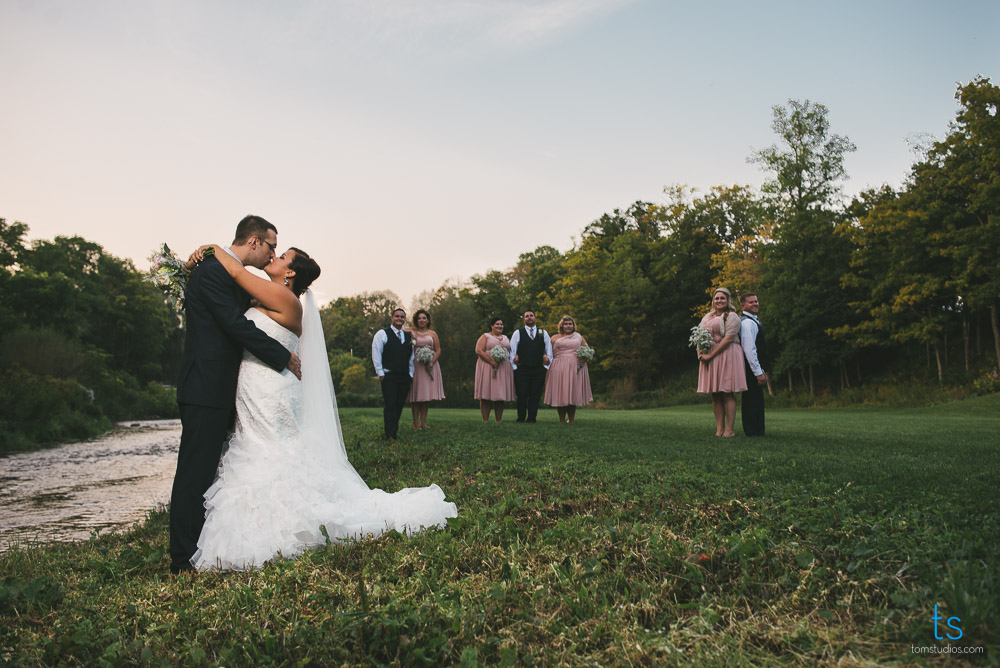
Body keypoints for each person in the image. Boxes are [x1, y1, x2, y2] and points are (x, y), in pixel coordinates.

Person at [189, 244, 457, 571]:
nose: (273, 257)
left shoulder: (286, 300)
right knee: (257, 447)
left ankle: (281, 520)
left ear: (290, 273)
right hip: (254, 387)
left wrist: (213, 248)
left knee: (273, 448)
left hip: (272, 390)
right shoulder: (264, 296)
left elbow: (234, 271)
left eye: (281, 256)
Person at [169, 215, 303, 575]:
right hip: (205, 387)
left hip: (224, 388)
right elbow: (234, 324)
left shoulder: (228, 272)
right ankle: (182, 560)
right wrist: (283, 356)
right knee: (194, 475)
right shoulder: (212, 272)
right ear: (256, 241)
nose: (273, 253)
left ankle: (204, 547)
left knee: (213, 474)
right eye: (273, 245)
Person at [696, 287, 748, 437]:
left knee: (726, 392)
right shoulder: (707, 317)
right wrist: (701, 354)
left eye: (722, 298)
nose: (719, 300)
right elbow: (699, 335)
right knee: (716, 394)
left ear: (728, 300)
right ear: (713, 301)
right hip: (710, 357)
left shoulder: (732, 316)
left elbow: (728, 339)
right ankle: (719, 429)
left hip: (727, 354)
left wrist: (711, 354)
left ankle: (729, 430)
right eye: (716, 298)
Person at [372, 308, 414, 440]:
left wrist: (411, 374)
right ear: (392, 317)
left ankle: (394, 431)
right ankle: (389, 434)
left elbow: (411, 356)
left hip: (404, 376)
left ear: (404, 319)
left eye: (402, 317)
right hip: (388, 375)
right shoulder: (382, 334)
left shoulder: (408, 337)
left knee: (399, 404)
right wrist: (380, 373)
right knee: (390, 404)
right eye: (397, 316)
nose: (399, 319)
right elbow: (376, 353)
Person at [543, 315, 593, 423]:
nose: (568, 326)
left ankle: (571, 419)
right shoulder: (554, 338)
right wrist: (544, 357)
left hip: (575, 366)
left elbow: (587, 349)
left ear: (573, 325)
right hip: (558, 367)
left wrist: (584, 359)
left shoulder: (579, 337)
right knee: (561, 392)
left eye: (570, 324)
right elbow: (546, 352)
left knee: (572, 392)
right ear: (562, 325)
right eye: (566, 324)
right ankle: (561, 419)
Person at [509, 309, 552, 423]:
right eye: (526, 316)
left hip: (538, 369)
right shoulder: (518, 333)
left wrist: (545, 368)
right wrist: (515, 368)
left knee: (535, 395)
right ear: (524, 319)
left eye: (531, 315)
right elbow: (512, 352)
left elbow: (549, 352)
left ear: (535, 318)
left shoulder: (543, 333)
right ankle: (521, 417)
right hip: (522, 369)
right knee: (522, 395)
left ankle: (532, 418)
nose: (529, 317)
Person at [405, 309, 445, 429]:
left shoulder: (432, 334)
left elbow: (438, 350)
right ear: (416, 320)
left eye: (424, 318)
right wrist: (410, 331)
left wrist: (432, 362)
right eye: (419, 318)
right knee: (416, 394)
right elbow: (399, 330)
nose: (421, 320)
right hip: (417, 365)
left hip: (430, 365)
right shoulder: (411, 332)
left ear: (427, 320)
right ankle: (415, 423)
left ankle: (423, 422)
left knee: (426, 395)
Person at [473, 317, 515, 422]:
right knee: (486, 394)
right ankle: (485, 420)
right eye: (497, 324)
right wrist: (491, 361)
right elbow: (478, 350)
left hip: (502, 368)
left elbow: (511, 352)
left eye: (501, 324)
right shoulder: (485, 336)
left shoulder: (506, 338)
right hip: (487, 367)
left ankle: (498, 420)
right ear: (492, 326)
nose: (500, 326)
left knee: (500, 395)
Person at [739, 293, 768, 436]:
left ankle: (757, 430)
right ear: (743, 305)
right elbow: (749, 349)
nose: (755, 304)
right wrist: (758, 372)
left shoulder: (753, 321)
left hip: (755, 368)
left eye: (756, 301)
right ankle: (752, 431)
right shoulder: (747, 323)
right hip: (750, 368)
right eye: (751, 302)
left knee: (756, 399)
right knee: (751, 399)